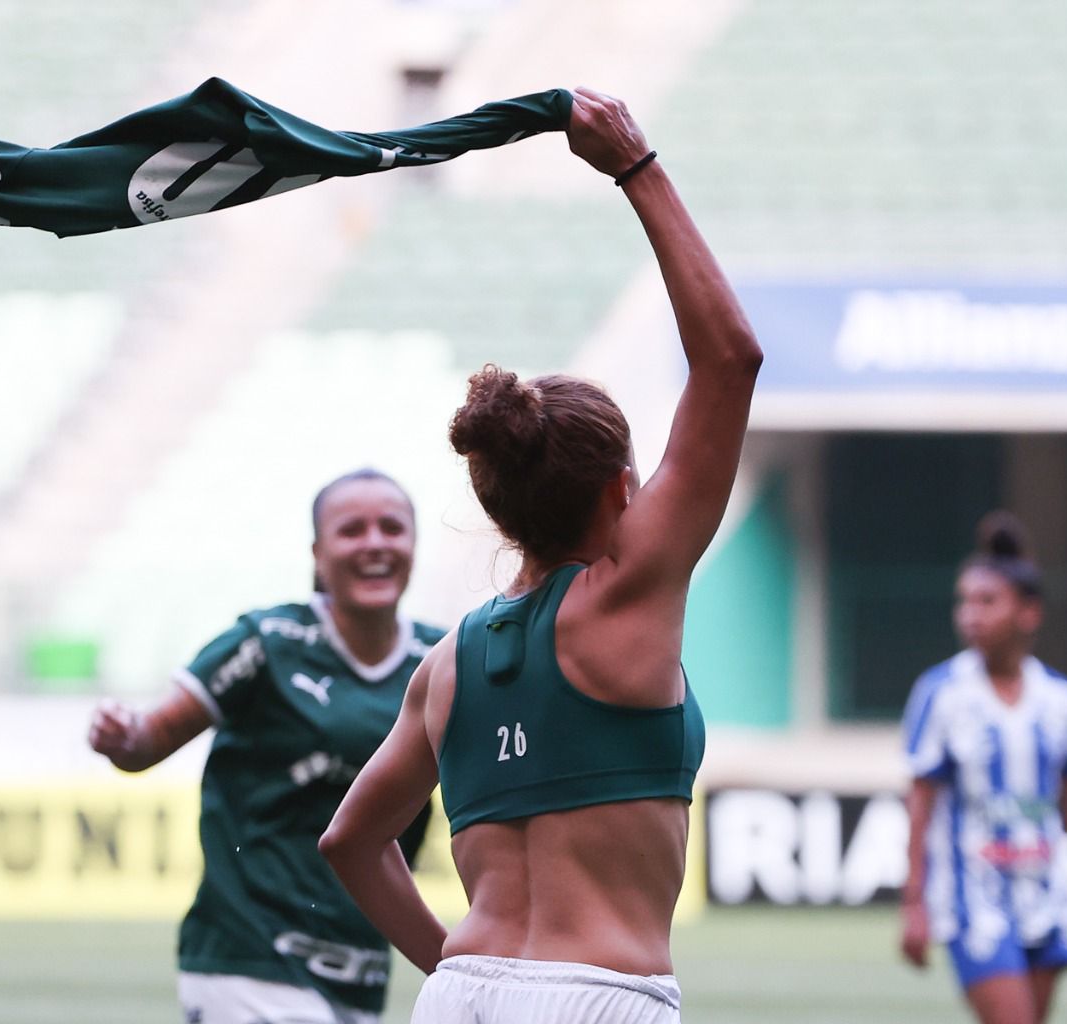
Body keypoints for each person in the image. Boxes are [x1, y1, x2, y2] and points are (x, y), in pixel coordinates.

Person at [318, 87, 762, 1024]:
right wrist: (637, 169)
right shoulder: (631, 594)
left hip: (458, 997)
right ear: (618, 492)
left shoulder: (444, 667)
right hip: (600, 996)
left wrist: (466, 973)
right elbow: (728, 360)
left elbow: (351, 842)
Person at [88, 468, 445, 1024]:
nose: (375, 543)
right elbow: (151, 739)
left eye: (391, 528)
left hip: (360, 968)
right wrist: (124, 735)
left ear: (414, 544)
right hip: (248, 960)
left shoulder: (442, 659)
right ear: (318, 552)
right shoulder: (265, 643)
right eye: (352, 530)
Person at [900, 510, 1067, 1024]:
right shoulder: (942, 694)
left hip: (1047, 893)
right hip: (973, 901)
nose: (969, 614)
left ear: (1029, 613)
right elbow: (920, 802)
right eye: (964, 601)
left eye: (986, 601)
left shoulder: (1062, 700)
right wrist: (913, 904)